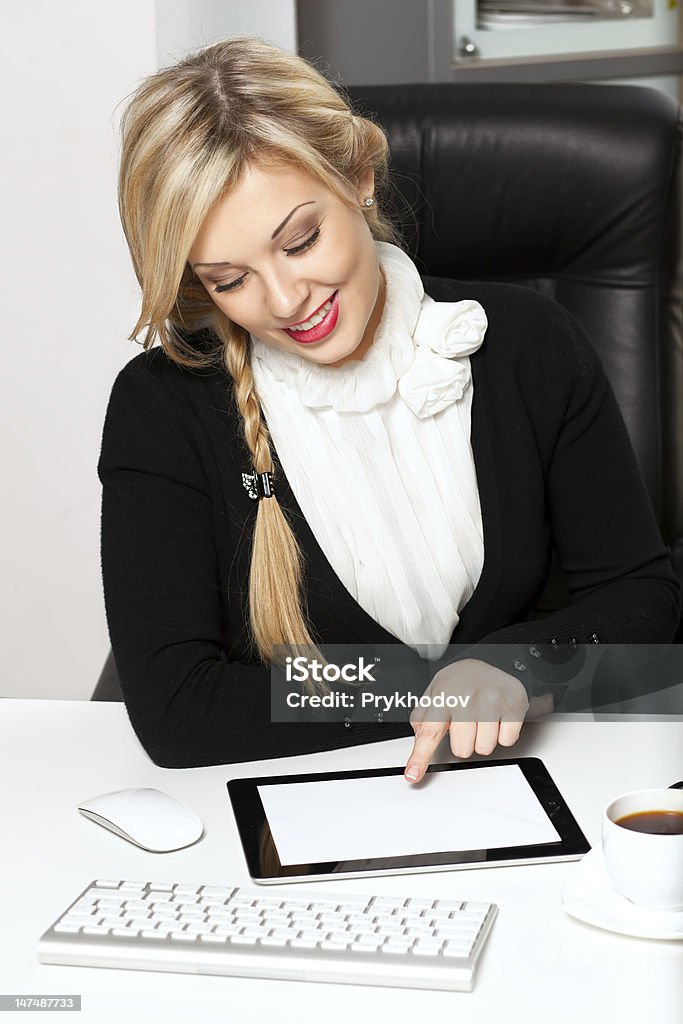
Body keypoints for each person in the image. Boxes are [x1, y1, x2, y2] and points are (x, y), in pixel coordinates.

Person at [99, 37, 680, 772]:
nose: (284, 303)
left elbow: (639, 597)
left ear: (359, 178)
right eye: (228, 280)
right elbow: (180, 705)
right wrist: (432, 689)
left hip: (535, 780)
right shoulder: (163, 408)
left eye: (300, 241)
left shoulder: (530, 344)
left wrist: (516, 665)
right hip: (296, 813)